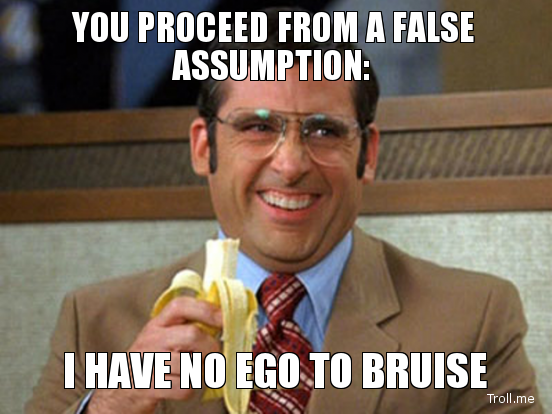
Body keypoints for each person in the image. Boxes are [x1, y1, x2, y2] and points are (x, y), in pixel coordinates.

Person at [26, 7, 541, 414]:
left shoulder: (476, 317)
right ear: (204, 148)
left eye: (324, 130)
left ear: (368, 154)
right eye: (257, 127)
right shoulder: (96, 321)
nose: (291, 164)